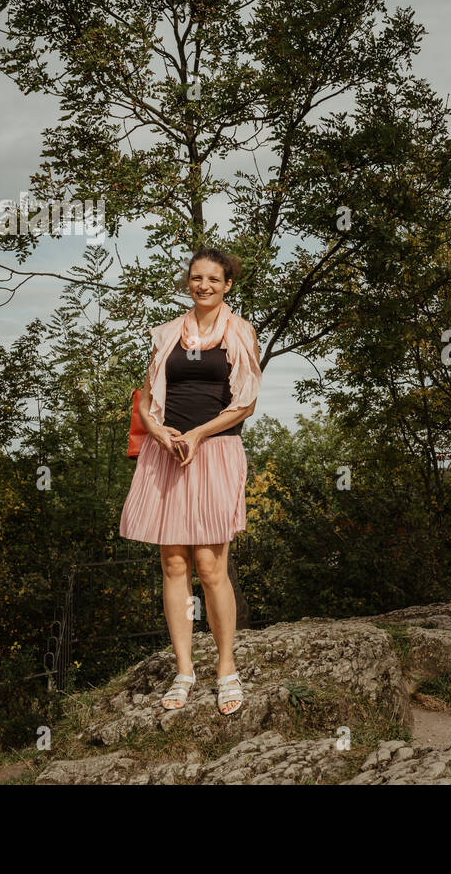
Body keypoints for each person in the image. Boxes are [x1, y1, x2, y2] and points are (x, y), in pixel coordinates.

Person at [119, 246, 261, 715]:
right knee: (173, 565)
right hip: (166, 454)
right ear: (189, 282)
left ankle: (226, 669)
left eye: (214, 280)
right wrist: (157, 431)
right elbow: (144, 399)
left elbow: (246, 403)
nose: (204, 285)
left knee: (210, 565)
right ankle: (184, 671)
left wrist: (199, 434)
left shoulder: (241, 332)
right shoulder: (166, 334)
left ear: (227, 285)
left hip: (214, 451)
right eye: (197, 278)